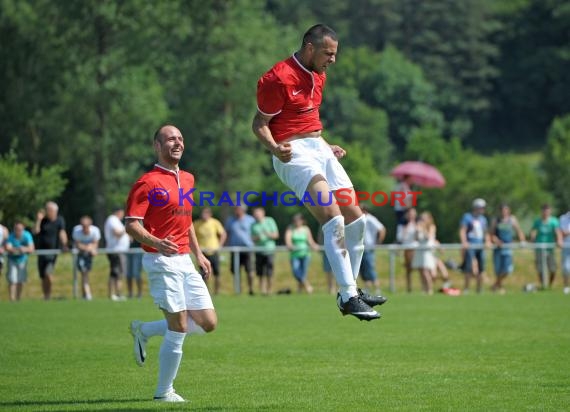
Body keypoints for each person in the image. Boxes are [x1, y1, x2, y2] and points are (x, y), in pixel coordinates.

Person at [253, 24, 385, 320]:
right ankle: (349, 294)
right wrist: (275, 148)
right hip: (292, 153)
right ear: (310, 48)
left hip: (318, 148)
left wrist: (326, 145)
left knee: (357, 219)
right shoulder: (278, 78)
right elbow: (259, 123)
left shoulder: (319, 75)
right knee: (333, 218)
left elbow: (309, 123)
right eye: (329, 53)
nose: (333, 60)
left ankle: (349, 291)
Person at [126, 124, 217, 403]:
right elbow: (131, 225)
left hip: (184, 261)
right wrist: (156, 242)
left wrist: (198, 254)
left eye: (180, 138)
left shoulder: (187, 178)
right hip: (160, 260)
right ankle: (164, 392)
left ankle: (144, 330)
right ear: (157, 146)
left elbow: (185, 218)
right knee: (178, 327)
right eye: (169, 139)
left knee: (208, 322)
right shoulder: (147, 182)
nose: (176, 143)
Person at [33, 201, 68, 300]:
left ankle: (49, 294)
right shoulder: (42, 220)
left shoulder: (59, 220)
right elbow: (36, 231)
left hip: (52, 253)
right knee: (43, 276)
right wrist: (38, 220)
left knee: (48, 273)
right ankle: (46, 296)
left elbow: (62, 233)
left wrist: (64, 244)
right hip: (41, 252)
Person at [489, 204, 526, 294]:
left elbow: (519, 230)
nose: (504, 212)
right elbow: (491, 234)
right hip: (498, 248)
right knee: (498, 269)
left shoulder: (512, 219)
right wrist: (496, 241)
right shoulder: (496, 220)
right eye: (502, 210)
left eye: (506, 210)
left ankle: (495, 285)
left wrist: (522, 241)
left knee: (507, 269)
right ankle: (500, 287)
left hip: (508, 247)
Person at [459, 198, 492, 293]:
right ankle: (466, 288)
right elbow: (463, 230)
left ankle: (479, 289)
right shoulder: (467, 217)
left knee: (481, 269)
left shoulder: (483, 219)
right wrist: (464, 241)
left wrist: (487, 241)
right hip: (470, 245)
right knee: (468, 268)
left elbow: (485, 232)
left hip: (480, 245)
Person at [194, 207, 227, 295]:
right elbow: (192, 237)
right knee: (204, 273)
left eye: (206, 213)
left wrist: (219, 245)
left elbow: (223, 234)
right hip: (202, 252)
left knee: (217, 272)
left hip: (214, 251)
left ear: (210, 214)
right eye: (203, 213)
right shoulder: (196, 224)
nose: (204, 215)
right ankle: (205, 292)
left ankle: (217, 291)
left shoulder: (215, 222)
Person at [530, 204, 563, 288]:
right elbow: (534, 231)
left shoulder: (553, 221)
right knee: (540, 268)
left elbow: (557, 231)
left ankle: (550, 285)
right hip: (539, 248)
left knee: (553, 268)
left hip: (550, 248)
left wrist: (559, 240)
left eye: (547, 210)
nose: (545, 212)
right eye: (544, 210)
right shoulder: (538, 221)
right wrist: (532, 239)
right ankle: (542, 285)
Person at [225, 205, 256, 295]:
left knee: (249, 270)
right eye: (235, 209)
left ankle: (251, 289)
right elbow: (227, 233)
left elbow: (255, 232)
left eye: (238, 209)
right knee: (236, 271)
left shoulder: (250, 220)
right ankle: (238, 290)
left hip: (247, 249)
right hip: (234, 249)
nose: (236, 211)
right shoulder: (230, 220)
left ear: (243, 210)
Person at [285, 213, 318, 294]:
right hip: (294, 254)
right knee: (296, 271)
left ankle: (299, 290)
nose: (297, 222)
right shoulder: (290, 229)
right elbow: (288, 240)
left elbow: (310, 240)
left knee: (303, 273)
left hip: (305, 254)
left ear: (302, 221)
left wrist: (314, 246)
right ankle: (307, 286)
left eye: (298, 220)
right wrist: (290, 245)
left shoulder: (306, 229)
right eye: (295, 221)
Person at [359, 204, 387, 297]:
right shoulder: (360, 219)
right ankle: (367, 288)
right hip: (362, 247)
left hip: (369, 247)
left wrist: (378, 242)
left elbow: (382, 229)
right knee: (363, 269)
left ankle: (377, 289)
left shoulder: (370, 219)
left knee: (370, 268)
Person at [250, 207, 279, 295]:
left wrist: (267, 234)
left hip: (269, 250)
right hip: (259, 251)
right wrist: (258, 237)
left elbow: (276, 235)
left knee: (269, 271)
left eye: (258, 214)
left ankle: (269, 289)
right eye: (255, 214)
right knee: (260, 272)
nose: (257, 216)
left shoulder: (270, 221)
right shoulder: (253, 225)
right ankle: (262, 290)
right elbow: (251, 238)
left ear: (263, 213)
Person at [104, 207, 130, 301]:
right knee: (116, 273)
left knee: (116, 273)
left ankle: (116, 294)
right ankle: (115, 294)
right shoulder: (112, 219)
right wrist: (127, 228)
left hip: (119, 251)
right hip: (116, 251)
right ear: (118, 212)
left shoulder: (115, 221)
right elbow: (117, 233)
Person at [72, 216, 100, 300]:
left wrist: (91, 248)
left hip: (89, 254)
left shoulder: (95, 231)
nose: (85, 229)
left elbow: (95, 244)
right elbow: (77, 244)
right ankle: (87, 294)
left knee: (85, 274)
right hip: (81, 254)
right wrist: (88, 248)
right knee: (84, 273)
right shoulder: (77, 231)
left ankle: (85, 294)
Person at [5, 222, 34, 301]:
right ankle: (12, 299)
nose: (18, 231)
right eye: (16, 229)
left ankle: (18, 298)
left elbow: (31, 248)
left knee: (20, 280)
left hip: (22, 260)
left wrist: (24, 249)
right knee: (12, 280)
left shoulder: (27, 235)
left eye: (20, 229)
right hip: (12, 260)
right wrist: (17, 249)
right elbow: (8, 247)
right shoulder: (11, 236)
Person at [411, 212, 437, 295]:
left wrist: (423, 229)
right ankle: (423, 289)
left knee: (426, 271)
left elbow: (428, 237)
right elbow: (416, 239)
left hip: (426, 251)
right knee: (420, 271)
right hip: (419, 250)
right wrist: (417, 231)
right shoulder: (418, 227)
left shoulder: (431, 227)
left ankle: (430, 289)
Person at [396, 207, 418, 293]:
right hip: (408, 248)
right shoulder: (402, 225)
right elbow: (400, 238)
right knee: (409, 269)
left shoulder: (418, 223)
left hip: (417, 248)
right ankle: (409, 288)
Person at [318, 228, 335, 294]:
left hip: (337, 250)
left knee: (337, 270)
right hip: (326, 250)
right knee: (328, 270)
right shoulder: (323, 223)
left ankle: (337, 287)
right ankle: (331, 287)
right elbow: (320, 237)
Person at [560, 210, 570, 294]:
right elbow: (563, 232)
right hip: (566, 245)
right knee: (566, 268)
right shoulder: (563, 218)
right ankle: (566, 286)